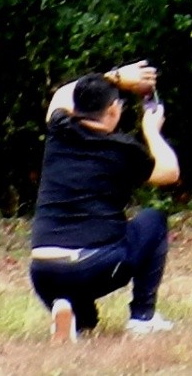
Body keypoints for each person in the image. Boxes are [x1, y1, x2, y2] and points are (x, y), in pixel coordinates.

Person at [29, 64, 179, 343]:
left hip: (43, 271)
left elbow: (63, 94)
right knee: (153, 219)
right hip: (92, 266)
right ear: (112, 111)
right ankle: (142, 317)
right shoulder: (122, 149)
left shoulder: (59, 131)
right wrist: (151, 130)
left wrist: (115, 77)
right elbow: (169, 172)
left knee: (87, 325)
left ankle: (66, 309)